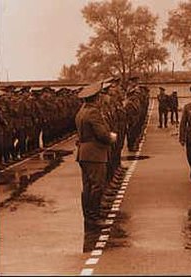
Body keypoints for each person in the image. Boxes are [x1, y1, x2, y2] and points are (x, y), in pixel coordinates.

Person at [75, 82, 117, 252]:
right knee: (96, 186)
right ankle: (93, 219)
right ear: (97, 98)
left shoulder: (82, 111)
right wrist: (111, 137)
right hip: (94, 153)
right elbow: (102, 134)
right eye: (100, 96)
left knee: (88, 187)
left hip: (84, 153)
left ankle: (90, 218)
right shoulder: (93, 112)